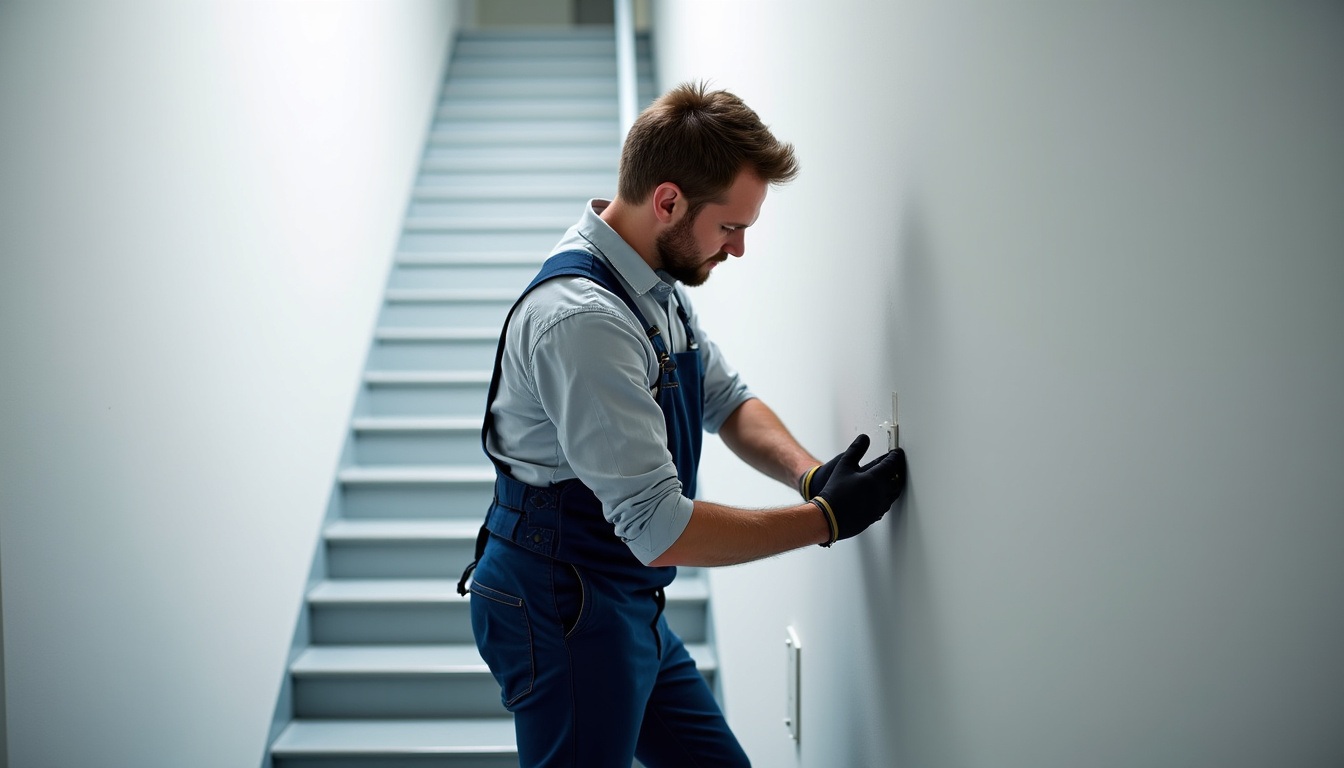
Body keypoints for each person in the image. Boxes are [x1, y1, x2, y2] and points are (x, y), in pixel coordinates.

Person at [457, 82, 907, 768]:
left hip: (623, 594)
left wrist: (810, 474)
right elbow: (661, 526)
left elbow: (724, 399)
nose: (738, 250)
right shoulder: (585, 320)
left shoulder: (649, 283)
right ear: (667, 201)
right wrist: (825, 520)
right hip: (559, 603)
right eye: (731, 228)